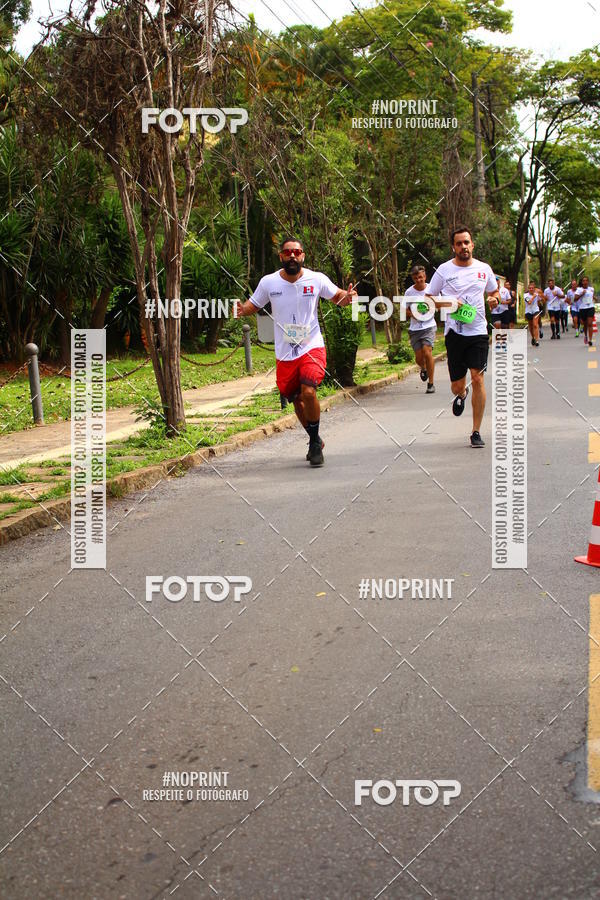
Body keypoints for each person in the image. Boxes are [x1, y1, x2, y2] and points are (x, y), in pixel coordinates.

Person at [235, 237, 357, 467]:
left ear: (303, 256)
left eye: (297, 252)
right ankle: (315, 439)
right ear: (281, 256)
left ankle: (314, 445)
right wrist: (241, 309)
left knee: (308, 392)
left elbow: (338, 297)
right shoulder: (269, 282)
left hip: (312, 346)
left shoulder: (316, 279)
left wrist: (348, 298)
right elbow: (253, 305)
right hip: (285, 353)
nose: (292, 255)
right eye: (288, 252)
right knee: (296, 399)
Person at [426, 225, 500, 448]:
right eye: (459, 243)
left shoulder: (484, 269)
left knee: (478, 378)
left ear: (472, 245)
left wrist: (494, 299)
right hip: (455, 333)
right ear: (453, 247)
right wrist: (447, 302)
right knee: (457, 385)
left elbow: (494, 291)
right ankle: (461, 394)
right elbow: (428, 298)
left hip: (478, 331)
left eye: (466, 242)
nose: (463, 246)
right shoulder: (444, 270)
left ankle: (476, 431)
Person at [405, 265, 436, 394]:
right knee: (418, 358)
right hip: (415, 328)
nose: (418, 280)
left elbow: (439, 303)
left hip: (429, 326)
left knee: (427, 352)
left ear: (425, 276)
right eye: (416, 278)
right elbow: (404, 309)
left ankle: (431, 384)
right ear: (413, 279)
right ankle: (423, 368)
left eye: (420, 277)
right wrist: (414, 315)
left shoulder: (432, 289)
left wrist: (432, 308)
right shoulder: (409, 292)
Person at [575, 276, 596, 347]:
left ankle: (590, 340)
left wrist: (595, 298)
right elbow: (575, 299)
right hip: (582, 308)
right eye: (583, 281)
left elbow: (592, 296)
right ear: (582, 282)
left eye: (586, 280)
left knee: (590, 323)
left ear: (588, 282)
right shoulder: (579, 290)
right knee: (585, 324)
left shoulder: (591, 289)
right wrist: (582, 294)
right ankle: (586, 336)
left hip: (590, 307)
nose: (585, 282)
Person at [524, 281, 544, 346]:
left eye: (532, 288)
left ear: (534, 289)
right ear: (528, 289)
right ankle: (533, 337)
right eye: (530, 288)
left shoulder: (536, 294)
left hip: (536, 310)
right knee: (530, 325)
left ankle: (537, 340)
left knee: (535, 324)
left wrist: (541, 298)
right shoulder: (525, 295)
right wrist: (534, 297)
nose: (531, 289)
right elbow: (529, 302)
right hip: (528, 311)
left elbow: (542, 300)